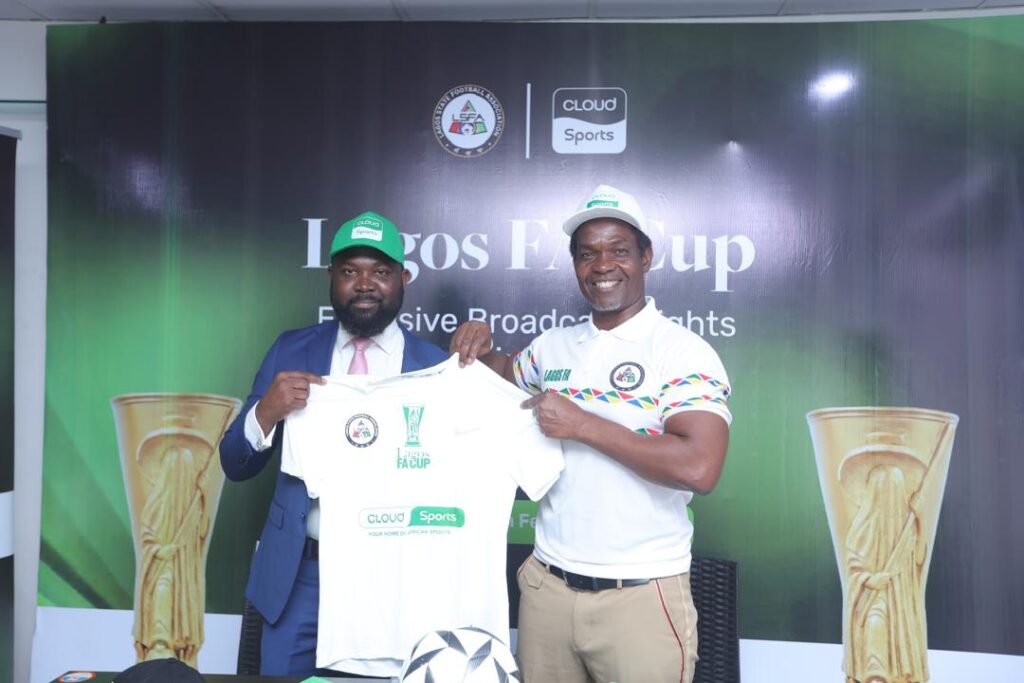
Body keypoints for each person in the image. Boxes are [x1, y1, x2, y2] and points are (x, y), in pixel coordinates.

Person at [451, 185, 732, 683]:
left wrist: (582, 424)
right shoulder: (552, 347)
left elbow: (699, 467)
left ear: (646, 257)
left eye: (618, 250)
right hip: (548, 590)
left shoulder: (681, 351)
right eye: (587, 254)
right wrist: (482, 345)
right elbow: (500, 377)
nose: (603, 265)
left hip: (640, 595)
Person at [219, 210, 448, 677]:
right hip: (302, 576)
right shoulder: (291, 350)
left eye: (380, 271)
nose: (364, 284)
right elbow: (234, 464)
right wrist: (266, 412)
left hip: (395, 577)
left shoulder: (436, 367)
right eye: (349, 271)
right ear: (331, 278)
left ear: (403, 278)